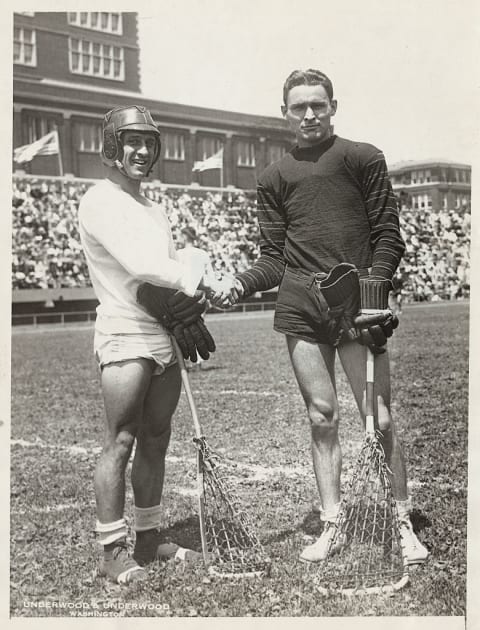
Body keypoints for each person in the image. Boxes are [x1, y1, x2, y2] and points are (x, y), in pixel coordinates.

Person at [221, 69, 429, 565]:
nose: (310, 114)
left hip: (359, 304)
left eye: (318, 105)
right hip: (301, 306)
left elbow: (388, 236)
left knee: (377, 419)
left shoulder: (362, 157)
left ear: (334, 105)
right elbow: (272, 257)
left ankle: (402, 522)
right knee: (322, 418)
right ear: (285, 112)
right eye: (299, 107)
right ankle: (331, 522)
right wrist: (239, 283)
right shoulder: (272, 176)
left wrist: (374, 289)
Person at [78, 105, 226, 584]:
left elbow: (166, 262)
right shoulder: (98, 200)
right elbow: (143, 265)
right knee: (120, 441)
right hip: (124, 331)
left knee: (156, 438)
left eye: (149, 144)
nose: (141, 152)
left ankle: (148, 538)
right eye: (131, 142)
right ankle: (111, 550)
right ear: (112, 147)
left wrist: (196, 275)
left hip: (161, 332)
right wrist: (197, 280)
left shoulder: (153, 207)